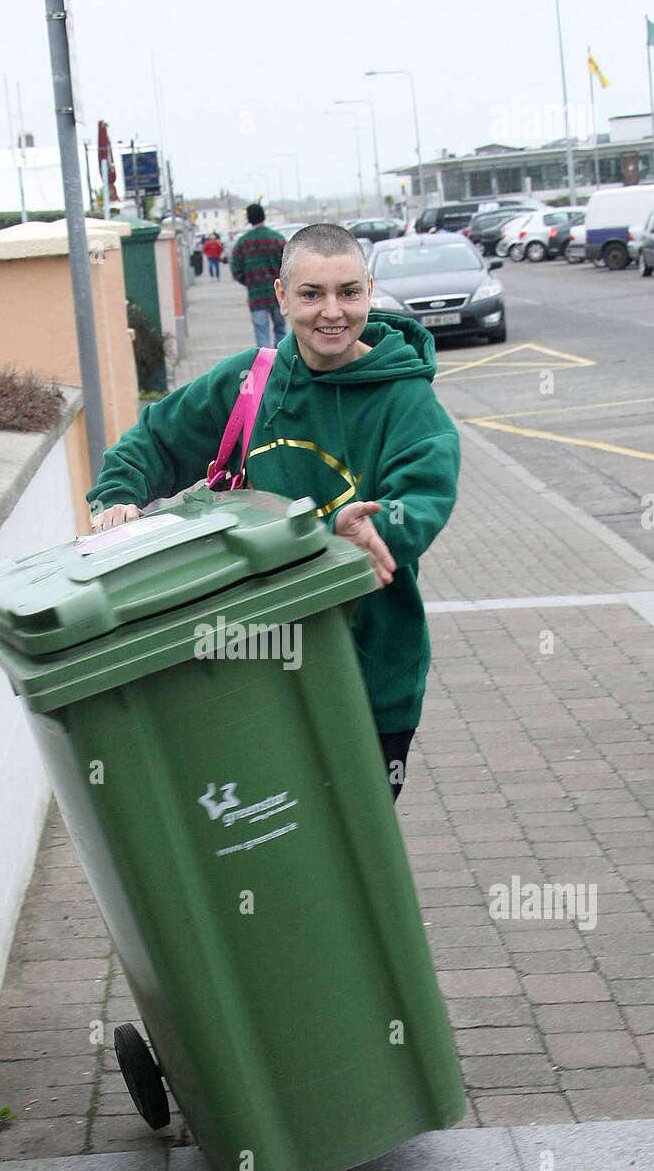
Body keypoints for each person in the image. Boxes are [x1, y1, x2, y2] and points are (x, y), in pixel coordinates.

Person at [86, 223, 459, 799]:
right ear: (280, 295)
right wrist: (118, 493)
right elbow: (156, 439)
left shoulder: (405, 397)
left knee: (353, 848)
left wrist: (377, 527)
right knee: (268, 838)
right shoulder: (249, 382)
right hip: (253, 669)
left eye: (349, 292)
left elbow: (426, 492)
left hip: (369, 672)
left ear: (369, 291)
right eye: (311, 294)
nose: (331, 312)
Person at [229, 203, 287, 346]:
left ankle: (265, 365)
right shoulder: (277, 239)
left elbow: (235, 268)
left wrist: (249, 282)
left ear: (249, 219)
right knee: (280, 330)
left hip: (256, 296)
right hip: (278, 295)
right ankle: (280, 362)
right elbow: (289, 265)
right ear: (263, 216)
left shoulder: (243, 242)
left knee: (262, 335)